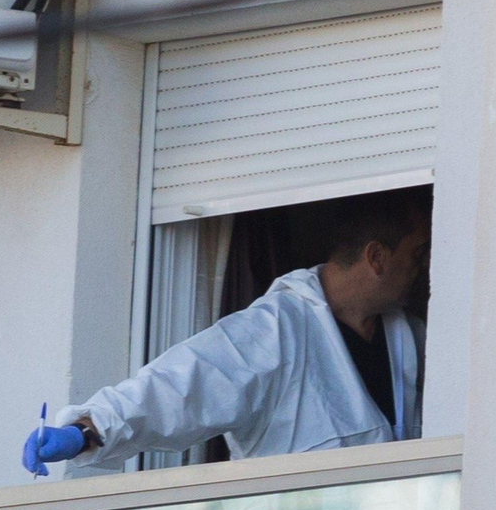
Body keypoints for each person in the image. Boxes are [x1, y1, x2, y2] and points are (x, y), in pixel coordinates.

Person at [22, 188, 431, 476]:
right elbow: (182, 383)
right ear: (376, 257)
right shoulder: (274, 331)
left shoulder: (411, 337)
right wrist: (88, 429)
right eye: (417, 255)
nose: (424, 270)